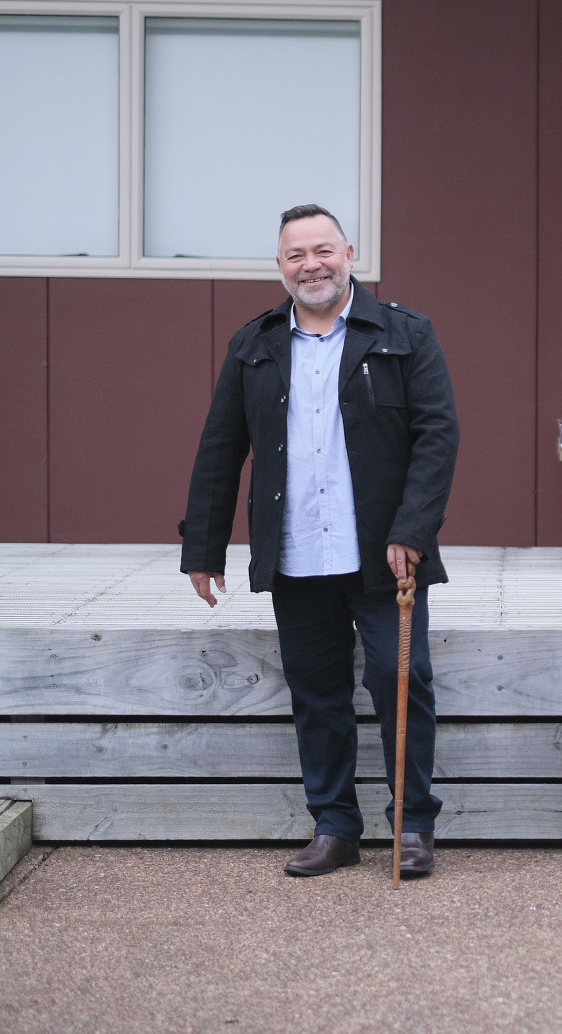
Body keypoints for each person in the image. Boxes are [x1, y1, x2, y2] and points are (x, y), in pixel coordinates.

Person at [181, 204, 459, 878]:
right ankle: (335, 826)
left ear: (349, 254)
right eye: (297, 255)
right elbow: (220, 448)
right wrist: (204, 549)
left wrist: (412, 529)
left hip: (386, 553)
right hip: (296, 550)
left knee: (401, 679)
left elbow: (437, 436)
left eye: (323, 250)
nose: (312, 265)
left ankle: (413, 825)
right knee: (316, 692)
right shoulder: (253, 345)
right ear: (280, 266)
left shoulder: (404, 333)